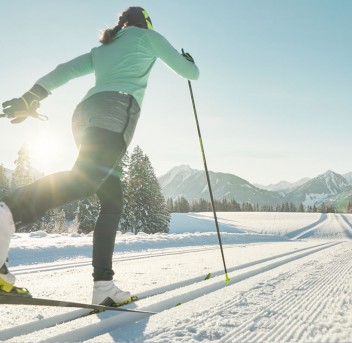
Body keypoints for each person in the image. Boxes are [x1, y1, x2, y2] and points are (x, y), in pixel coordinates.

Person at [0, 6, 199, 304]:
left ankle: (104, 287)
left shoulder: (103, 49)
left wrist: (32, 96)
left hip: (84, 115)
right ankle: (9, 211)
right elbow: (190, 73)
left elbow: (64, 70)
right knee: (85, 180)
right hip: (115, 112)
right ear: (143, 23)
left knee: (111, 200)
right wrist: (187, 60)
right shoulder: (148, 37)